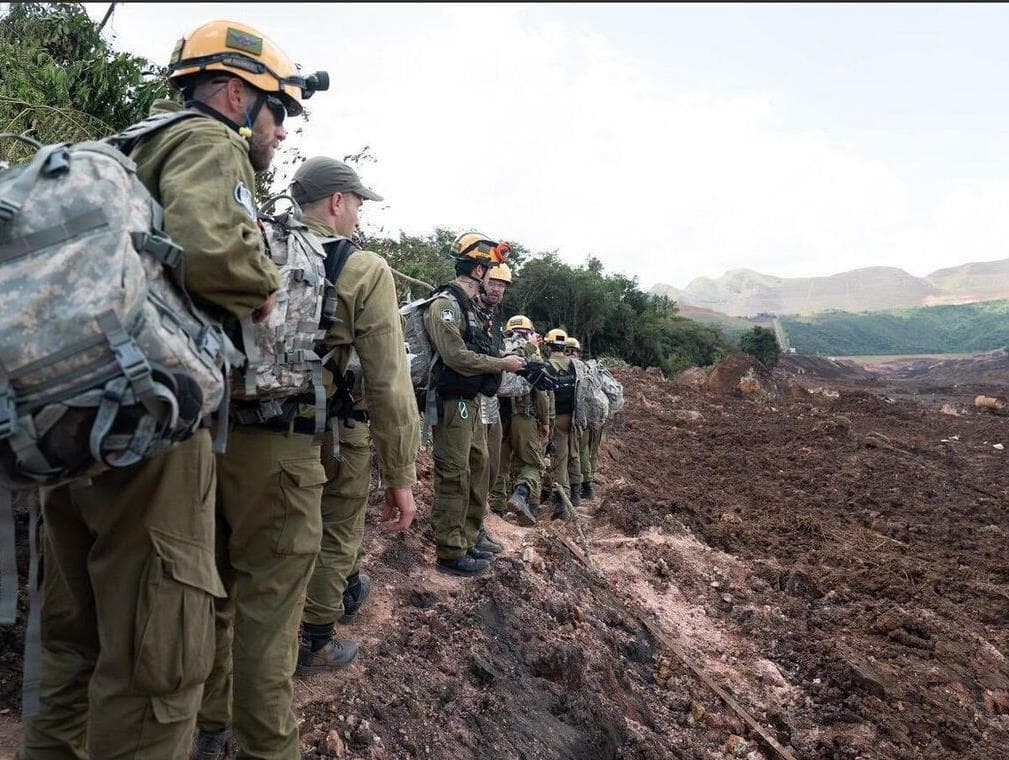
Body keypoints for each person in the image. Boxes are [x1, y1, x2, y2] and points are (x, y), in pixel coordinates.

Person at [19, 18, 305, 760]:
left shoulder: (127, 146)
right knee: (159, 658)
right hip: (150, 429)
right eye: (279, 113)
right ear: (239, 95)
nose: (278, 135)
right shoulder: (211, 142)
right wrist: (265, 286)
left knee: (71, 642)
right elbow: (215, 252)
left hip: (71, 417)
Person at [290, 157, 419, 674]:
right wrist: (401, 475)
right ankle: (316, 639)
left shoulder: (254, 243)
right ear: (337, 202)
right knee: (338, 530)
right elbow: (390, 380)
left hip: (247, 429)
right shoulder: (362, 267)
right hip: (333, 430)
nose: (360, 215)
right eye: (358, 203)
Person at [423, 233, 526, 577]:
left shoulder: (470, 309)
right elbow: (455, 356)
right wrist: (502, 364)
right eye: (489, 270)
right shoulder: (446, 305)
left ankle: (468, 536)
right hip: (453, 402)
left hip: (471, 401)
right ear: (479, 268)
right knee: (454, 473)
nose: (493, 280)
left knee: (478, 466)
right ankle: (450, 552)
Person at [492, 316, 554, 526]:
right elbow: (541, 392)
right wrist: (545, 421)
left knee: (499, 466)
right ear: (530, 332)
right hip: (524, 416)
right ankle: (523, 497)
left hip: (498, 417)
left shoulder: (497, 347)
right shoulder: (531, 352)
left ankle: (497, 512)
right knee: (532, 463)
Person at [472, 262, 513, 557]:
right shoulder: (469, 311)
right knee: (476, 467)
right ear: (481, 279)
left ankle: (478, 525)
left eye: (502, 285)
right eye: (494, 282)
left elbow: (491, 351)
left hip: (492, 399)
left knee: (493, 467)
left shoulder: (494, 319)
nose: (497, 289)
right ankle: (469, 532)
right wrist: (502, 362)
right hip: (471, 400)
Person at [544, 328, 582, 519]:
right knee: (573, 454)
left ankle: (562, 503)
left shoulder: (547, 366)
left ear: (548, 345)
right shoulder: (576, 366)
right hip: (574, 417)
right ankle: (578, 493)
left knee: (558, 459)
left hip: (556, 418)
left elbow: (545, 398)